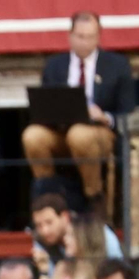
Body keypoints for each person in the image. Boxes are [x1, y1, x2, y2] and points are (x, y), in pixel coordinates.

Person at [22, 13, 135, 208]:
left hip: (99, 132)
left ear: (99, 36)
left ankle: (94, 196)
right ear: (70, 36)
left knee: (79, 135)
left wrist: (105, 117)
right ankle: (48, 197)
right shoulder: (55, 65)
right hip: (60, 130)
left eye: (89, 37)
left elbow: (129, 112)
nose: (84, 42)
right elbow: (45, 104)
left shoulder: (117, 65)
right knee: (32, 136)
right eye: (79, 36)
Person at [29, 191, 121, 266]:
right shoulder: (40, 241)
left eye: (49, 222)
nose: (45, 231)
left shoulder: (95, 230)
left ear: (65, 217)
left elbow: (118, 266)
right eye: (39, 225)